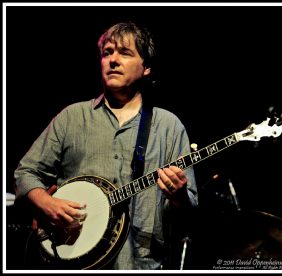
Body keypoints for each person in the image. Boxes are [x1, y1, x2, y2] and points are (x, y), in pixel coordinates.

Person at [14, 21, 198, 270]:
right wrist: (47, 204)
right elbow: (26, 173)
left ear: (146, 68)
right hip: (73, 260)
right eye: (107, 52)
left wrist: (178, 198)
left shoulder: (168, 126)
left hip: (142, 264)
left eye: (125, 53)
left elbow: (190, 212)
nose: (113, 60)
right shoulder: (72, 117)